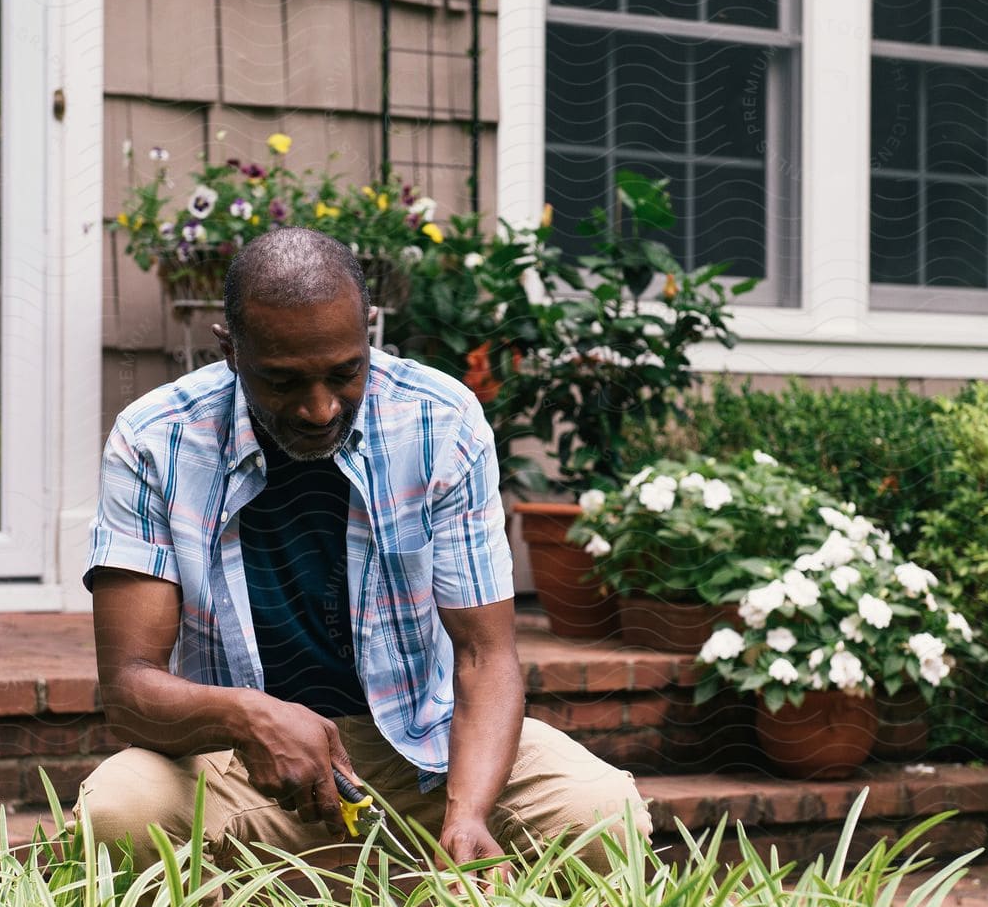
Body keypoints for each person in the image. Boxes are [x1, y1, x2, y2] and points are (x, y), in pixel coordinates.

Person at [74, 227, 650, 873]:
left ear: (369, 328)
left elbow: (486, 656)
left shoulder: (441, 421)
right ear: (231, 351)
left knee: (602, 811)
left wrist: (469, 812)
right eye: (283, 381)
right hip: (235, 766)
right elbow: (128, 689)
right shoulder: (156, 440)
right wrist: (248, 716)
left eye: (345, 372)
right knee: (117, 812)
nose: (320, 408)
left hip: (424, 753)